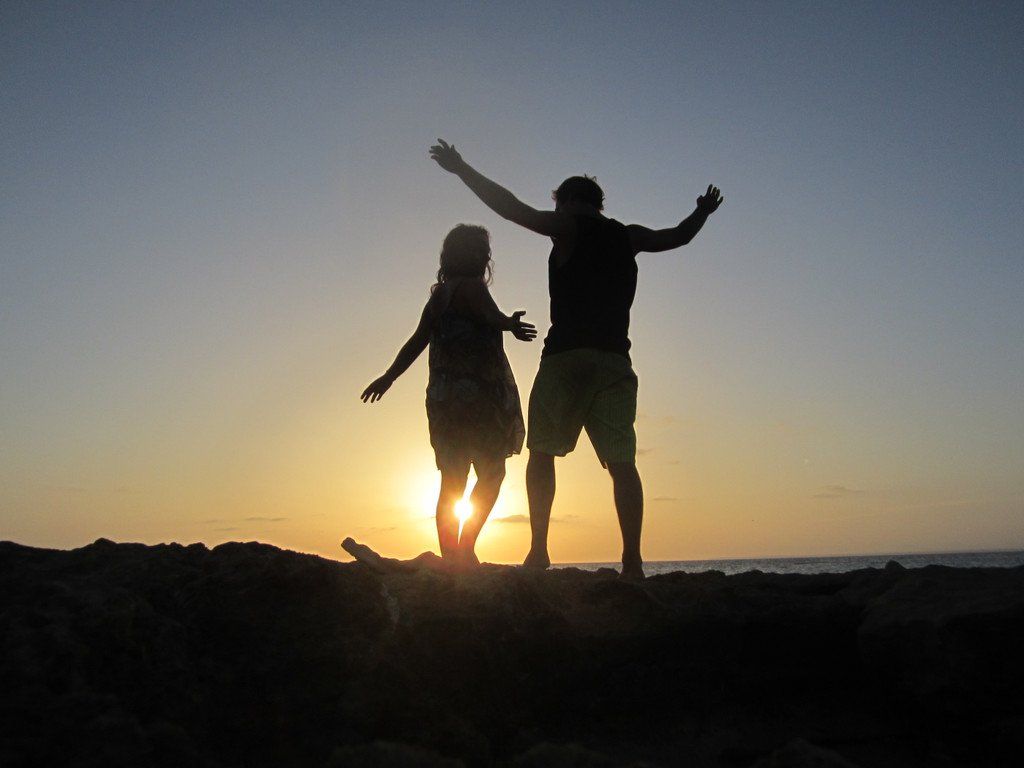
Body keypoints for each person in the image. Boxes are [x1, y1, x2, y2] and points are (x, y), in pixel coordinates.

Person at [429, 139, 724, 580]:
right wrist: (702, 211)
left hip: (565, 359)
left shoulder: (566, 226)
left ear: (565, 202)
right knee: (623, 464)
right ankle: (632, 561)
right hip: (614, 362)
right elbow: (678, 236)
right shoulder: (628, 236)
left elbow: (510, 208)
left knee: (542, 453)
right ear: (599, 203)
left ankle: (539, 552)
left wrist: (461, 169)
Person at [361, 224, 536, 568]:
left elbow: (416, 341)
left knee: (452, 479)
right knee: (492, 473)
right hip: (478, 397)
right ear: (472, 255)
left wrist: (389, 376)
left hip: (444, 399)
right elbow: (490, 316)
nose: (485, 255)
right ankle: (465, 548)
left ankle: (451, 556)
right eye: (481, 249)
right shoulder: (473, 287)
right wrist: (509, 324)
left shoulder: (439, 296)